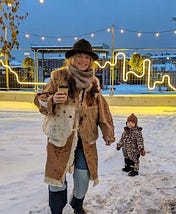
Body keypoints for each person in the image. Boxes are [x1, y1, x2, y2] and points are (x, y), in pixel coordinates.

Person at [34, 39, 115, 214]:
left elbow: (102, 108)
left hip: (86, 137)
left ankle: (77, 205)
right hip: (61, 136)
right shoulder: (59, 76)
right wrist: (52, 100)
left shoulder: (93, 82)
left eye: (86, 57)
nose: (83, 60)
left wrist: (108, 131)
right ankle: (56, 210)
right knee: (57, 178)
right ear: (72, 58)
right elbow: (38, 100)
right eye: (79, 56)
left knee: (83, 177)